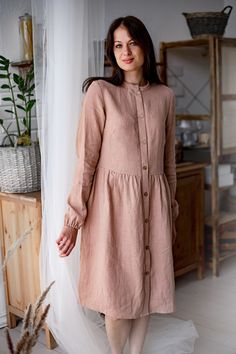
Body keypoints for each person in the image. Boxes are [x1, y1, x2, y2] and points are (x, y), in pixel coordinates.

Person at [56, 15, 179, 354]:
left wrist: (170, 206)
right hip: (111, 209)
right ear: (112, 52)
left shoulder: (165, 96)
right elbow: (86, 161)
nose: (126, 51)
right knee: (117, 296)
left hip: (153, 204)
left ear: (145, 46)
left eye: (133, 43)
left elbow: (168, 161)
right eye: (118, 45)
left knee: (147, 289)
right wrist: (73, 220)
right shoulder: (100, 92)